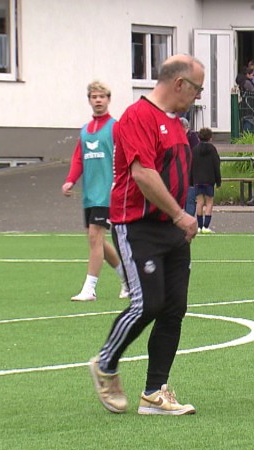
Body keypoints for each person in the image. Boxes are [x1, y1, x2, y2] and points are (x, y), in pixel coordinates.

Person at [88, 54, 202, 416]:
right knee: (147, 303)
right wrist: (181, 214)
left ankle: (155, 393)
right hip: (138, 225)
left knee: (174, 308)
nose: (198, 96)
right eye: (197, 88)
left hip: (171, 228)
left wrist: (181, 219)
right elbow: (143, 175)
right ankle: (105, 363)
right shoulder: (139, 117)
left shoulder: (177, 122)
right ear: (179, 84)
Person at [62, 80, 129, 302]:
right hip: (90, 194)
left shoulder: (115, 127)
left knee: (95, 237)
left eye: (102, 96)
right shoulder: (85, 131)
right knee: (97, 240)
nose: (98, 100)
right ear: (89, 100)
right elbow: (78, 158)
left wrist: (120, 182)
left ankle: (89, 289)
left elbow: (125, 156)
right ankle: (128, 280)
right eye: (94, 96)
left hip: (107, 192)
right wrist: (70, 180)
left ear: (108, 99)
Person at [190, 127, 221, 234]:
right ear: (210, 138)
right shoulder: (212, 149)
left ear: (199, 137)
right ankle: (206, 226)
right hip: (209, 179)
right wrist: (218, 180)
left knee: (199, 202)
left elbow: (191, 165)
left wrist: (191, 180)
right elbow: (216, 165)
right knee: (209, 202)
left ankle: (199, 226)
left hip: (198, 180)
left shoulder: (195, 149)